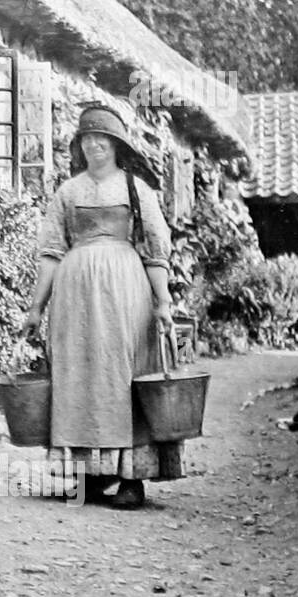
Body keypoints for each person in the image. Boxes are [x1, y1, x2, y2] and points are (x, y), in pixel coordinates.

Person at [21, 105, 182, 509]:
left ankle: (132, 479)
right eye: (87, 140)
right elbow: (51, 251)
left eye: (102, 140)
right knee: (79, 375)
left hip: (125, 292)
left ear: (116, 146)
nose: (94, 145)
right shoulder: (68, 192)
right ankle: (88, 478)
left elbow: (155, 251)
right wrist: (36, 307)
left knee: (125, 373)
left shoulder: (135, 190)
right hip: (74, 296)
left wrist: (163, 302)